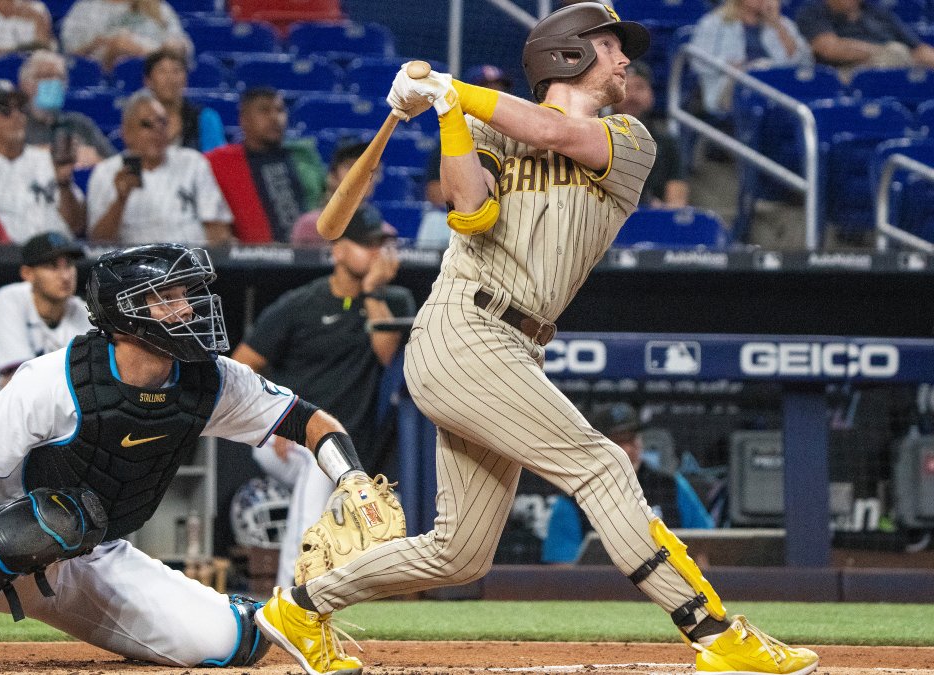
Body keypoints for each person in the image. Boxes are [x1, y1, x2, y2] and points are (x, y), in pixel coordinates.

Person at [253, 5, 820, 675]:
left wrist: (454, 90)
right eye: (611, 47)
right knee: (603, 465)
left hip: (510, 344)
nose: (624, 61)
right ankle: (715, 632)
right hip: (462, 327)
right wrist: (447, 114)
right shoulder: (488, 126)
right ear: (570, 54)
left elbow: (556, 131)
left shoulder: (631, 138)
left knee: (458, 552)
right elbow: (472, 210)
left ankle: (297, 607)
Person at [0, 243, 390, 673]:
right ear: (125, 314)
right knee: (62, 513)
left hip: (97, 550)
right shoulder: (51, 378)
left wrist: (352, 478)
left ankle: (224, 616)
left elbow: (310, 421)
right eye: (167, 298)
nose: (186, 308)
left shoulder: (210, 380)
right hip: (6, 543)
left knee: (233, 645)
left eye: (186, 295)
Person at [233, 214, 413, 586]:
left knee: (325, 473)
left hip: (351, 447)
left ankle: (310, 592)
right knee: (319, 460)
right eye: (367, 244)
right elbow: (239, 366)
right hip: (285, 433)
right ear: (337, 251)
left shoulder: (393, 300)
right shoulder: (300, 304)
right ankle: (293, 590)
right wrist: (274, 415)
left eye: (381, 244)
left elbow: (386, 354)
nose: (377, 252)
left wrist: (374, 292)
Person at [542, 403, 714, 564]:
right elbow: (562, 573)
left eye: (632, 440)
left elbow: (704, 549)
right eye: (617, 442)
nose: (628, 450)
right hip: (604, 591)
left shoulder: (670, 485)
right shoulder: (574, 499)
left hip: (668, 589)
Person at [86, 91, 232, 245]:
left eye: (162, 122)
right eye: (147, 124)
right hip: (134, 264)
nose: (157, 130)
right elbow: (98, 242)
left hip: (189, 262)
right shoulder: (105, 172)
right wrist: (120, 201)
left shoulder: (193, 163)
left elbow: (218, 227)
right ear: (127, 133)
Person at [0, 80, 86, 242]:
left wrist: (64, 183)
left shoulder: (49, 160)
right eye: (6, 111)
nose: (17, 116)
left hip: (56, 256)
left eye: (21, 109)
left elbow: (77, 226)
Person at [414, 65, 516, 249]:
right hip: (466, 218)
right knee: (435, 221)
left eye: (500, 91)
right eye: (486, 90)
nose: (493, 97)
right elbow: (434, 192)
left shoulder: (518, 138)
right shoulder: (453, 136)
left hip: (507, 218)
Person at [206, 87, 325, 244]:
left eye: (280, 110)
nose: (275, 118)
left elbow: (325, 203)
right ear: (244, 119)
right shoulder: (220, 162)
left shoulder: (303, 155)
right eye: (264, 111)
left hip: (311, 257)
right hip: (253, 261)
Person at [0, 231, 91, 389]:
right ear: (27, 273)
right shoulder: (10, 299)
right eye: (52, 266)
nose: (65, 276)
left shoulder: (83, 311)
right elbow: (17, 382)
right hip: (12, 410)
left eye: (69, 265)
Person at [690, 0, 811, 115]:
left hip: (775, 85)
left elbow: (805, 63)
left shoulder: (781, 23)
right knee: (748, 80)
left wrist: (777, 25)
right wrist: (730, 65)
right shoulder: (714, 22)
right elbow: (698, 62)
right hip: (730, 86)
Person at [18, 49, 115, 169]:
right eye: (46, 76)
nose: (54, 82)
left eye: (60, 77)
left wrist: (97, 161)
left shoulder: (80, 124)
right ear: (25, 84)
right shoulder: (15, 125)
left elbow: (115, 165)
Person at [611, 62, 689, 208]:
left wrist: (660, 210)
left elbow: (677, 203)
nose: (632, 95)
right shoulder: (598, 139)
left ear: (651, 95)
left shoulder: (667, 144)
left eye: (640, 87)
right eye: (624, 88)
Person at [795, 0, 934, 74]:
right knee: (897, 50)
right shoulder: (814, 12)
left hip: (897, 66)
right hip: (846, 73)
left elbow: (919, 49)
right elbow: (829, 49)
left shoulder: (878, 13)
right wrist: (883, 51)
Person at [291, 141, 382, 246]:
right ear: (332, 176)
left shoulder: (385, 232)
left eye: (371, 170)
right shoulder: (310, 226)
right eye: (352, 167)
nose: (362, 175)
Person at [60, 0, 192, 71]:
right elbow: (69, 55)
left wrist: (138, 49)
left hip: (154, 78)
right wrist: (104, 44)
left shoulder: (159, 8)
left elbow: (179, 45)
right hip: (102, 77)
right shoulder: (84, 8)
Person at [140, 49, 225, 152]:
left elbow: (215, 160)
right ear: (148, 81)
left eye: (176, 71)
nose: (170, 78)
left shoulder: (205, 118)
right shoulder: (138, 120)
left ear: (185, 79)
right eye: (162, 71)